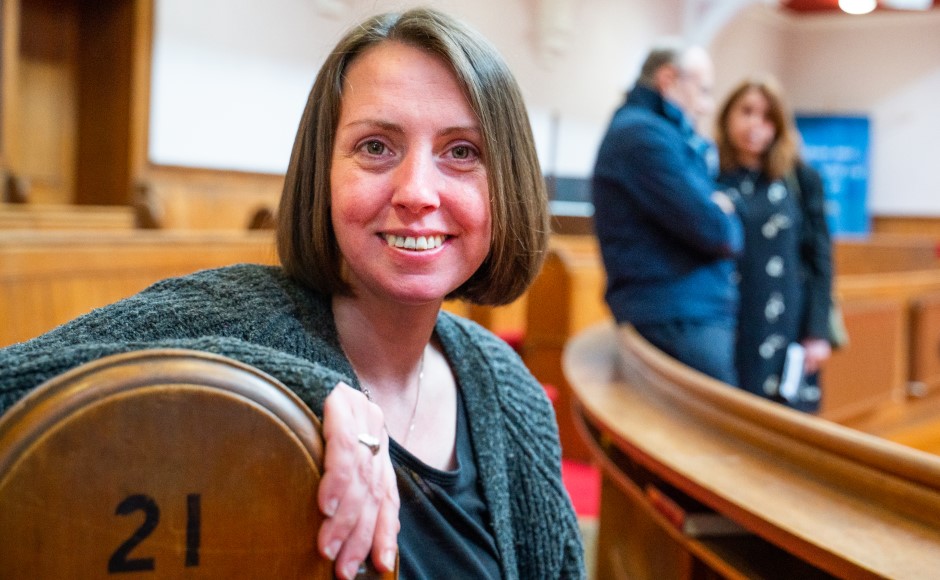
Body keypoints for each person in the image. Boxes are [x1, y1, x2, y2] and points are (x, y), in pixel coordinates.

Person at [0, 8, 584, 579]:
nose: (416, 192)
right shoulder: (227, 317)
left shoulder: (511, 393)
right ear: (322, 170)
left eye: (462, 152)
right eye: (376, 146)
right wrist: (279, 384)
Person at [591, 40, 743, 385]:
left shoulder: (655, 132)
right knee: (709, 434)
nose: (706, 106)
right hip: (678, 316)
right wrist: (724, 212)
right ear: (669, 79)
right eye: (703, 90)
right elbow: (716, 231)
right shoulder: (643, 136)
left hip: (683, 312)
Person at [714, 76, 834, 412]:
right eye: (746, 112)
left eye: (766, 117)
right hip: (734, 320)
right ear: (727, 117)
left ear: (778, 126)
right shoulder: (711, 176)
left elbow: (820, 259)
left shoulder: (801, 179)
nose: (755, 125)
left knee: (789, 420)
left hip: (789, 321)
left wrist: (817, 333)